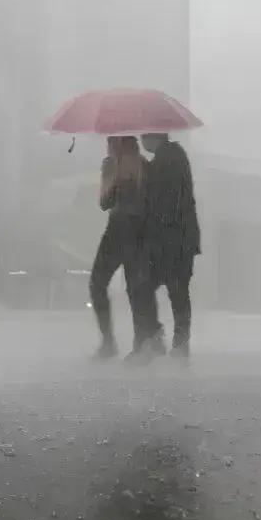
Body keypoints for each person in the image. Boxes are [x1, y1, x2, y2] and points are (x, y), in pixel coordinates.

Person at [89, 136, 156, 361]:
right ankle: (109, 341)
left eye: (112, 141)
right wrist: (112, 181)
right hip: (117, 230)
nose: (108, 145)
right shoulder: (109, 164)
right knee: (98, 283)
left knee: (135, 288)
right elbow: (104, 203)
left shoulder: (143, 167)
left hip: (134, 231)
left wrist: (128, 181)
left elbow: (149, 204)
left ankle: (141, 343)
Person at [141, 133, 201, 356]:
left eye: (143, 137)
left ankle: (168, 339)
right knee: (176, 291)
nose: (141, 141)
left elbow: (165, 199)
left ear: (153, 138)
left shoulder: (168, 159)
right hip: (179, 238)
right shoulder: (171, 157)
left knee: (153, 287)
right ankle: (178, 341)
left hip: (173, 240)